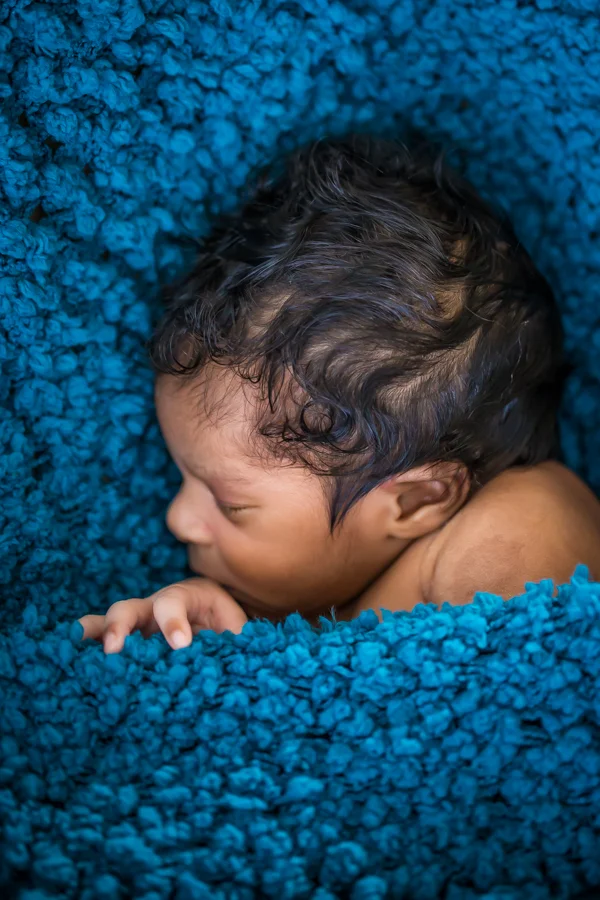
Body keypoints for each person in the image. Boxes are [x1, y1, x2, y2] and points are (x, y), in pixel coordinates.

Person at [78, 133, 600, 654]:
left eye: (230, 504)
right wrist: (227, 643)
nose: (178, 520)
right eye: (185, 477)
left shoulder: (519, 529)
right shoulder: (314, 593)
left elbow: (498, 702)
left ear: (417, 500)